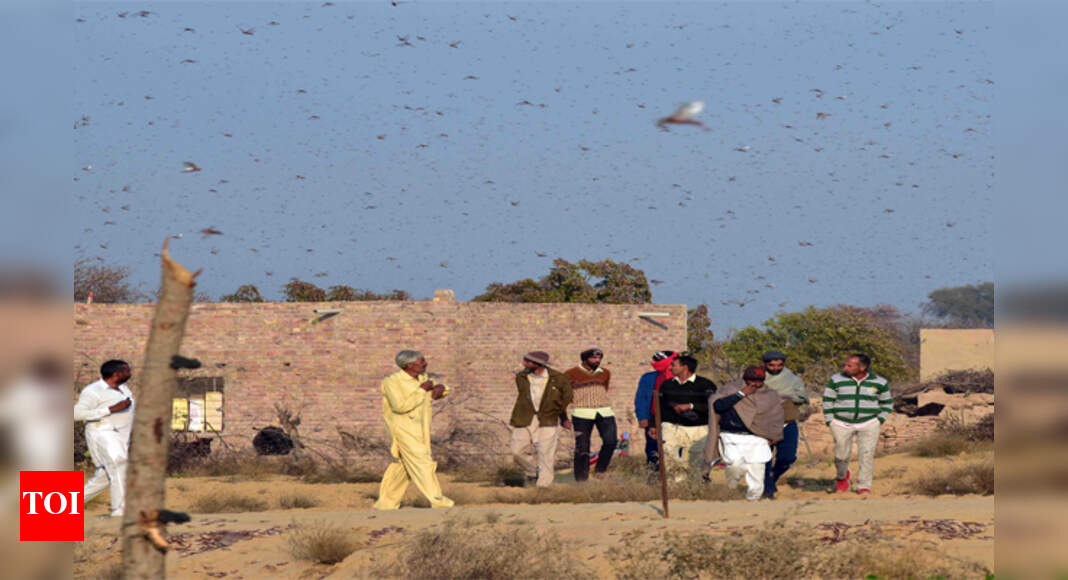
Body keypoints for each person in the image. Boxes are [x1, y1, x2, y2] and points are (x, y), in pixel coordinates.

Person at [374, 350, 454, 509]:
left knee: (402, 467)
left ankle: (385, 504)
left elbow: (437, 391)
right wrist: (422, 390)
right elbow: (399, 406)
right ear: (409, 365)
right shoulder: (392, 382)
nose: (425, 364)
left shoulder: (422, 379)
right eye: (421, 361)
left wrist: (441, 389)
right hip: (403, 429)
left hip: (421, 428)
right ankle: (439, 501)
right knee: (423, 462)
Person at [706, 366, 784, 501]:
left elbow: (775, 416)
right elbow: (718, 406)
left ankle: (753, 500)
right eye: (752, 380)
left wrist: (774, 434)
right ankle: (731, 491)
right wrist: (741, 394)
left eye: (760, 381)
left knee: (757, 470)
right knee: (734, 465)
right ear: (745, 379)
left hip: (757, 438)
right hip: (731, 435)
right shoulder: (730, 389)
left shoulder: (770, 394)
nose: (756, 384)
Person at [822, 353, 892, 495]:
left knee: (867, 454)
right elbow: (828, 400)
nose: (845, 368)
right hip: (841, 422)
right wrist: (830, 420)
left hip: (869, 422)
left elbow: (887, 403)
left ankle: (864, 486)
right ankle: (842, 476)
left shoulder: (880, 382)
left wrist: (880, 419)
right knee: (841, 455)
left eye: (849, 365)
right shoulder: (836, 379)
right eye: (845, 365)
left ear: (862, 367)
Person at [74, 359, 135, 518]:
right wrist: (110, 409)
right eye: (127, 371)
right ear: (116, 374)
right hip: (101, 433)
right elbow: (77, 414)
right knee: (119, 465)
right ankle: (119, 514)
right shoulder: (93, 391)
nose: (130, 373)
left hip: (120, 438)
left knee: (105, 477)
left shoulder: (124, 389)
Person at [509, 351, 573, 487]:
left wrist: (563, 418)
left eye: (527, 361)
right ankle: (532, 471)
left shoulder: (559, 379)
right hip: (524, 417)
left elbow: (565, 399)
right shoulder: (521, 377)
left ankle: (543, 486)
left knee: (546, 453)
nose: (524, 363)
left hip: (548, 418)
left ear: (537, 364)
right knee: (517, 451)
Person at [648, 354, 717, 480]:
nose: (670, 368)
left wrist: (691, 406)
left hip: (699, 429)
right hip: (672, 426)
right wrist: (653, 424)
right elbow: (658, 406)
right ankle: (675, 485)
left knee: (695, 461)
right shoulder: (667, 385)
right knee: (668, 453)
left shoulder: (706, 385)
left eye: (673, 365)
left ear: (685, 367)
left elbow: (714, 407)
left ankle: (694, 487)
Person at [760, 350, 809, 499]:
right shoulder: (758, 376)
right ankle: (768, 491)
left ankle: (772, 478)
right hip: (763, 423)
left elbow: (803, 398)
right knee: (764, 459)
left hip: (787, 422)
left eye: (779, 365)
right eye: (772, 365)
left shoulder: (792, 378)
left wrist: (790, 400)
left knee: (788, 457)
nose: (775, 368)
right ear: (764, 364)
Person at [564, 347, 617, 481]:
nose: (597, 360)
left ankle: (600, 469)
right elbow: (564, 396)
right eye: (594, 358)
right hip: (582, 413)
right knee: (582, 447)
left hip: (604, 411)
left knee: (611, 442)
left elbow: (604, 388)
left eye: (599, 358)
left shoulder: (605, 373)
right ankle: (581, 480)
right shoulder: (571, 373)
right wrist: (563, 418)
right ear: (585, 359)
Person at [633, 350, 678, 470]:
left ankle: (675, 477)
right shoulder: (648, 378)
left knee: (676, 449)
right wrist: (642, 417)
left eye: (661, 360)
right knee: (653, 449)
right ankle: (653, 477)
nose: (657, 363)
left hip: (677, 420)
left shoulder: (680, 378)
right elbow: (641, 398)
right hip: (654, 419)